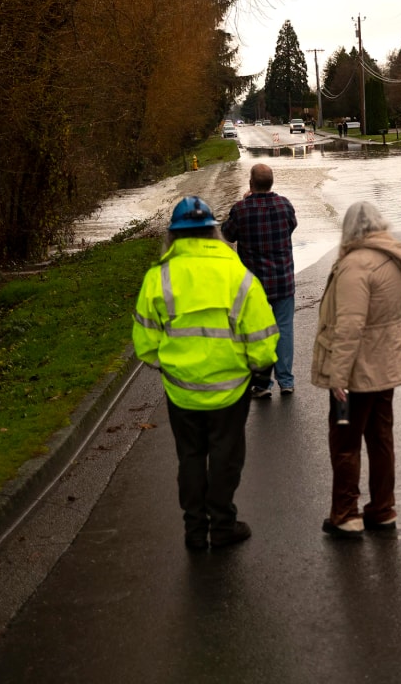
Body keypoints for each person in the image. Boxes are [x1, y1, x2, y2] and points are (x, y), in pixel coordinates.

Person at [132, 196, 279, 550]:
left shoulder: (158, 278)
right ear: (213, 231)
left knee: (191, 458)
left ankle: (195, 532)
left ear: (174, 235)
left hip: (182, 391)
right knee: (226, 459)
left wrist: (169, 366)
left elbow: (145, 342)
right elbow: (260, 335)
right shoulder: (237, 275)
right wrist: (259, 369)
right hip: (230, 390)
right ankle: (223, 526)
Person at [311, 201, 401, 537]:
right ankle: (383, 508)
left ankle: (346, 513)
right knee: (381, 439)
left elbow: (350, 326)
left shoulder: (355, 265)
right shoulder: (395, 258)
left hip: (356, 372)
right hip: (385, 364)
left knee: (345, 442)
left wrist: (338, 378)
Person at [221, 164, 298, 398]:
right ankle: (285, 380)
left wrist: (246, 201)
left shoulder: (241, 210)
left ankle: (263, 384)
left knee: (257, 332)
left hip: (253, 286)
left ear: (251, 184)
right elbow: (291, 226)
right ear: (271, 183)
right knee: (284, 329)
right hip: (282, 281)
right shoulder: (284, 205)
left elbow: (227, 234)